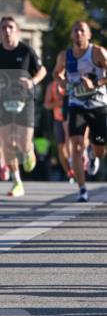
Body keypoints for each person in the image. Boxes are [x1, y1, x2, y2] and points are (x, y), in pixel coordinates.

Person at [0, 17, 46, 198]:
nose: (7, 31)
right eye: (3, 28)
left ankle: (29, 150)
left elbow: (42, 70)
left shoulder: (26, 51)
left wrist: (33, 82)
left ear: (16, 30)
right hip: (2, 101)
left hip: (24, 102)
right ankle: (17, 182)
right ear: (0, 32)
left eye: (10, 27)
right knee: (7, 142)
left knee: (23, 144)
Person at [52, 20, 107, 202]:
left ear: (89, 35)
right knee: (75, 144)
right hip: (77, 104)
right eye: (75, 30)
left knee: (100, 149)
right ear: (71, 35)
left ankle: (93, 155)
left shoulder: (98, 52)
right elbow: (56, 73)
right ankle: (82, 189)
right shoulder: (64, 56)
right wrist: (63, 83)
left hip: (98, 105)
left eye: (82, 30)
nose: (78, 34)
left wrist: (96, 83)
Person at [43, 76, 73, 182]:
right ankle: (69, 172)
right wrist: (59, 103)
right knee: (61, 148)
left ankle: (78, 162)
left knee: (72, 142)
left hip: (72, 117)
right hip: (58, 119)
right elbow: (46, 104)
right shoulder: (52, 86)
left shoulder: (73, 82)